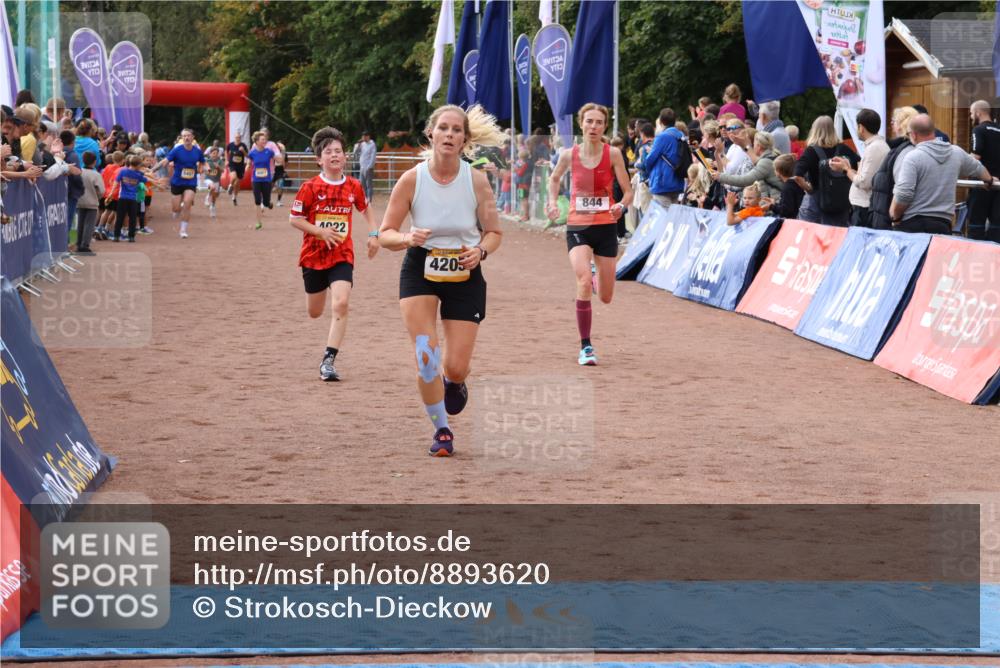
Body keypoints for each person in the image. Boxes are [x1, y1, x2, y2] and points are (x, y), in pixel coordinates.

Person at [378, 104, 505, 457]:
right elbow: (384, 233)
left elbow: (494, 232)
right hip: (420, 268)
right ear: (430, 134)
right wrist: (407, 238)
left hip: (465, 271)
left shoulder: (477, 181)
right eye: (443, 128)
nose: (449, 134)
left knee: (455, 366)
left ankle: (456, 382)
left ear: (465, 139)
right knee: (426, 358)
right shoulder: (412, 179)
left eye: (456, 130)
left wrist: (481, 251)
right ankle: (442, 430)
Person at [546, 103, 634, 367]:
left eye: (598, 122)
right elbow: (554, 179)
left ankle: (597, 277)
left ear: (604, 126)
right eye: (589, 121)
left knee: (606, 297)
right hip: (578, 226)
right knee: (583, 280)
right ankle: (586, 347)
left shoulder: (614, 154)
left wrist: (621, 205)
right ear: (581, 124)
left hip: (606, 226)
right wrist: (551, 202)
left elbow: (628, 191)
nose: (593, 126)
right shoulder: (567, 155)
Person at [290, 126, 380, 382]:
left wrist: (374, 236)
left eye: (338, 151)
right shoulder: (309, 187)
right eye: (328, 152)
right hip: (313, 256)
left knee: (341, 303)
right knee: (315, 312)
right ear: (319, 159)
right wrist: (320, 232)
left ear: (345, 156)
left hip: (342, 255)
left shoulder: (353, 186)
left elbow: (366, 209)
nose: (334, 155)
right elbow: (294, 219)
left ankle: (328, 360)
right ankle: (316, 303)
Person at [890, 114, 991, 235]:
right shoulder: (956, 152)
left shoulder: (912, 157)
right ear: (933, 131)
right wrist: (989, 179)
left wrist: (894, 217)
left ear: (913, 134)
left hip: (913, 226)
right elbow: (978, 168)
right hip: (943, 225)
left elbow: (904, 195)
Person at [828, 108, 889, 228]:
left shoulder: (874, 148)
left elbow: (864, 182)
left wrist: (846, 169)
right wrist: (847, 167)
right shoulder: (876, 146)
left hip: (864, 208)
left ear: (861, 127)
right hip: (864, 207)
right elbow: (868, 177)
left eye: (857, 127)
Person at [793, 115, 859, 225]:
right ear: (833, 130)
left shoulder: (811, 151)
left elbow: (797, 176)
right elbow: (860, 164)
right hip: (841, 200)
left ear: (814, 130)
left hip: (816, 203)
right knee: (838, 237)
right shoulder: (843, 148)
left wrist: (809, 189)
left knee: (811, 237)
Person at [868, 106, 918, 230]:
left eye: (894, 121)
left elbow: (902, 189)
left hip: (892, 224)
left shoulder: (906, 151)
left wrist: (895, 218)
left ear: (901, 125)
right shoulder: (899, 149)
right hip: (886, 219)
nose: (891, 125)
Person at [714, 130, 782, 202]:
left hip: (773, 204)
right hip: (772, 202)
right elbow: (754, 158)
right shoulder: (770, 156)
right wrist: (742, 145)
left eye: (754, 144)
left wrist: (720, 177)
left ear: (758, 146)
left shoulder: (765, 162)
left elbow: (744, 180)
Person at [966, 99, 1000, 242]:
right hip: (999, 187)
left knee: (975, 227)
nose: (971, 117)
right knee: (997, 229)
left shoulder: (978, 130)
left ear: (978, 113)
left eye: (972, 113)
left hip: (982, 185)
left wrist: (961, 161)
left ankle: (974, 259)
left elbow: (975, 156)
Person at [642, 107, 686, 206]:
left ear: (661, 121)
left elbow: (650, 160)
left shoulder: (662, 137)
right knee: (673, 217)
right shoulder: (681, 135)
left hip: (662, 182)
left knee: (664, 217)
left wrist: (648, 171)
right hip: (678, 180)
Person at [167, 128, 205, 239]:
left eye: (188, 135)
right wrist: (154, 169)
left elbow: (203, 162)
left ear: (193, 137)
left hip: (190, 181)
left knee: (188, 203)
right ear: (181, 138)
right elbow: (166, 161)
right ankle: (176, 210)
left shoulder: (197, 151)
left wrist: (204, 168)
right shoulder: (176, 150)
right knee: (176, 208)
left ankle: (183, 230)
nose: (186, 138)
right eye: (184, 136)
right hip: (177, 181)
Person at [113, 154, 152, 242]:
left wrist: (112, 192)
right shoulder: (138, 175)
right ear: (137, 165)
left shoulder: (123, 171)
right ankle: (131, 237)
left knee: (120, 217)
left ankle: (116, 236)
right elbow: (147, 179)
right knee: (133, 218)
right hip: (133, 199)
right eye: (140, 165)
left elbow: (116, 182)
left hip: (122, 198)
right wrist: (158, 183)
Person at [74, 151, 104, 255]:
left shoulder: (79, 172)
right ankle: (85, 245)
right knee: (89, 225)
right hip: (92, 202)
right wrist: (97, 196)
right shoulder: (96, 175)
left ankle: (78, 244)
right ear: (95, 162)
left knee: (80, 223)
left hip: (79, 201)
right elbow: (101, 190)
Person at [248, 131, 276, 229]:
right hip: (255, 179)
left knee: (266, 203)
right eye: (262, 139)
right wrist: (246, 167)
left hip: (266, 179)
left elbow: (278, 158)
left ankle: (269, 203)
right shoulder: (252, 153)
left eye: (265, 139)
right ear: (257, 141)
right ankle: (259, 222)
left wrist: (281, 157)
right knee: (257, 201)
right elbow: (249, 162)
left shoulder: (269, 151)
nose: (265, 141)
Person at [771, 153, 805, 219]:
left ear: (778, 171)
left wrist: (771, 207)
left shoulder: (787, 187)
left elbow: (786, 210)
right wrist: (775, 204)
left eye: (775, 169)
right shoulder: (797, 182)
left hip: (793, 222)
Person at [225, 132, 249, 205]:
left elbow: (247, 156)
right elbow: (226, 152)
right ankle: (230, 186)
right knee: (233, 177)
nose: (238, 139)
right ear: (234, 138)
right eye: (236, 137)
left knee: (237, 184)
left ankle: (234, 197)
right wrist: (226, 160)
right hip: (232, 164)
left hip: (240, 166)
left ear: (240, 138)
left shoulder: (243, 145)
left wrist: (243, 151)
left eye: (239, 137)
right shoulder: (230, 145)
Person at [203, 146, 225, 218]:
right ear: (210, 154)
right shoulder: (207, 161)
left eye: (216, 153)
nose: (214, 154)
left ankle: (212, 207)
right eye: (213, 153)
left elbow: (223, 171)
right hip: (208, 179)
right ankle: (207, 197)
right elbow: (204, 170)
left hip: (216, 180)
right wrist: (207, 169)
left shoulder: (220, 161)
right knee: (212, 187)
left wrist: (218, 167)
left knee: (215, 196)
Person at [356, 130, 377, 203]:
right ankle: (364, 198)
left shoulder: (372, 144)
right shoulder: (362, 144)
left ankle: (369, 199)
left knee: (369, 184)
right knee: (362, 184)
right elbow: (356, 152)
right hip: (362, 167)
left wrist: (370, 166)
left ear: (368, 136)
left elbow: (373, 156)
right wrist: (358, 145)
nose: (363, 138)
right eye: (363, 136)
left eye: (365, 136)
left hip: (368, 167)